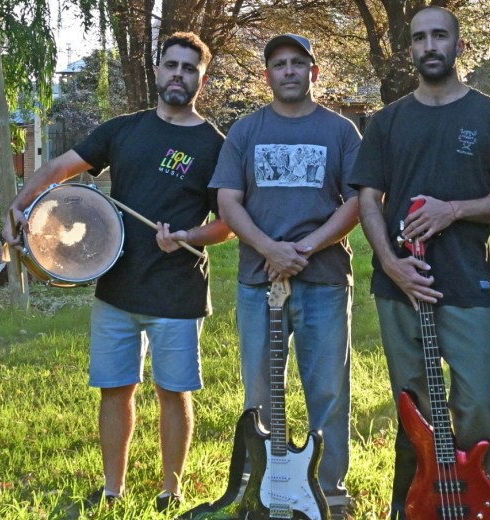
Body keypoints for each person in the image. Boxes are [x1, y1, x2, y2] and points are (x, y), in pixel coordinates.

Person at [1, 32, 231, 512]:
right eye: (171, 65)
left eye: (189, 69)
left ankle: (171, 491)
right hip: (117, 286)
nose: (178, 75)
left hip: (177, 289)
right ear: (158, 70)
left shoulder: (214, 145)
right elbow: (62, 168)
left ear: (201, 80)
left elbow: (228, 224)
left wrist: (189, 235)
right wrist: (21, 203)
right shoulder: (124, 130)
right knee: (115, 389)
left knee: (174, 392)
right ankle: (112, 490)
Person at [347, 6, 490, 518]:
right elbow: (368, 197)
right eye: (420, 38)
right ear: (411, 50)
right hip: (400, 286)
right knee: (415, 413)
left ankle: (477, 504)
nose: (430, 46)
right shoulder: (387, 122)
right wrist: (389, 262)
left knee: (475, 406)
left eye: (439, 36)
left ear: (458, 46)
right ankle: (409, 510)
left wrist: (453, 211)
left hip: (465, 282)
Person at [209, 33, 360, 518]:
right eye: (279, 64)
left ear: (314, 73)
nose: (289, 71)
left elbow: (358, 202)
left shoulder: (340, 132)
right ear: (268, 74)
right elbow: (227, 201)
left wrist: (305, 248)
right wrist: (269, 248)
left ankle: (329, 486)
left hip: (324, 279)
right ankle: (267, 481)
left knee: (328, 388)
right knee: (259, 389)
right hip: (259, 280)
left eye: (299, 63)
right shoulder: (245, 131)